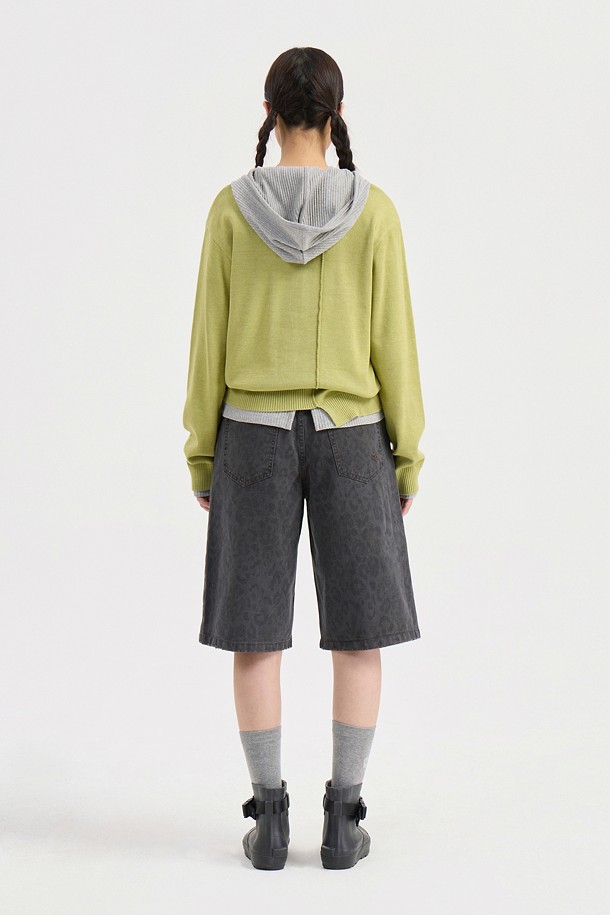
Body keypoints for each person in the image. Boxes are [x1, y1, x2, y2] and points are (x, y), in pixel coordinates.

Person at [182, 46, 426, 871]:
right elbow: (396, 345)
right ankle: (344, 819)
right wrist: (407, 456)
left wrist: (202, 454)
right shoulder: (375, 212)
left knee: (256, 635)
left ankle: (271, 819)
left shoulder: (230, 210)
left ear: (269, 113)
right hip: (353, 437)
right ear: (336, 116)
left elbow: (207, 343)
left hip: (249, 437)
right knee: (360, 634)